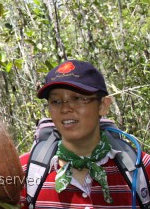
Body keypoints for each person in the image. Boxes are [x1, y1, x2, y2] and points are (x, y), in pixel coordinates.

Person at [19, 60, 150, 208]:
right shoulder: (24, 170)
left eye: (78, 98)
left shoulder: (140, 167)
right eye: (56, 101)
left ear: (103, 105)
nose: (65, 109)